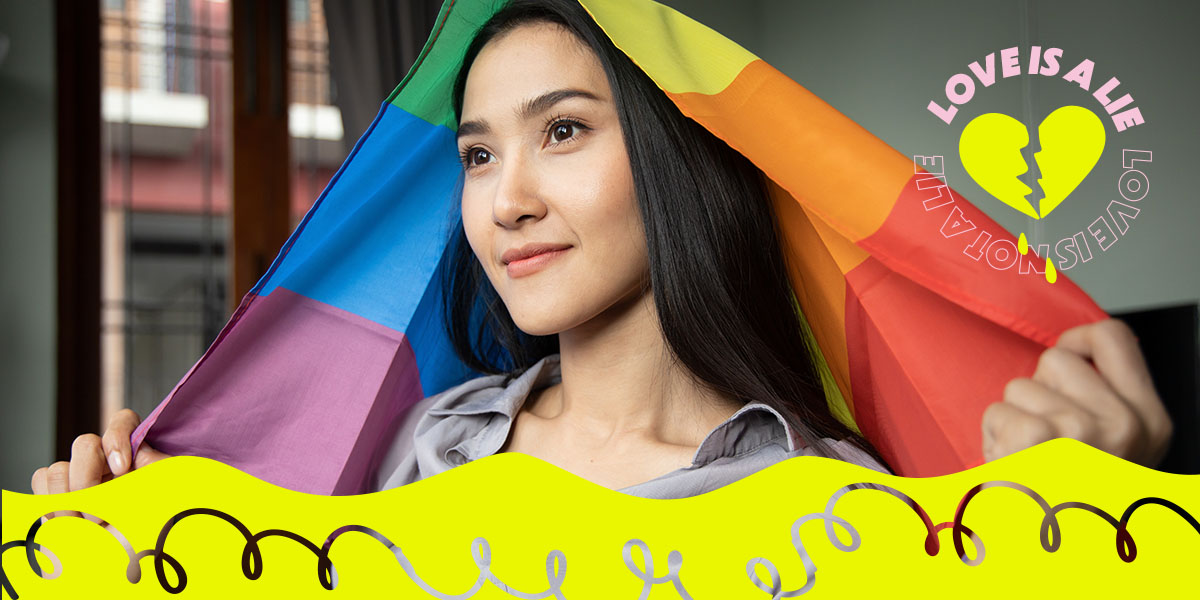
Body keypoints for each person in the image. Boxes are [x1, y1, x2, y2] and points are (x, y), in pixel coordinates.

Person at [32, 0, 1172, 499]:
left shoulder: (827, 491)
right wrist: (126, 544)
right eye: (476, 157)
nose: (504, 202)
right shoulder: (422, 454)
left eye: (562, 132)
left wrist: (1092, 523)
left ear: (677, 163)